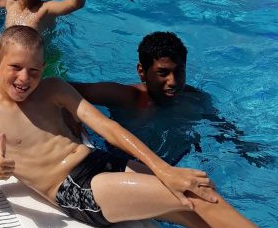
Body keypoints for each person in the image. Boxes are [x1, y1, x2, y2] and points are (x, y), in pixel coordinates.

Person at [0, 26, 278, 228]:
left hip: (99, 161)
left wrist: (163, 170)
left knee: (194, 214)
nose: (24, 78)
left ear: (43, 69)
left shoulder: (53, 89)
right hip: (74, 187)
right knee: (195, 197)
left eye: (34, 71)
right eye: (15, 67)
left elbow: (108, 128)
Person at [71, 31, 267, 166]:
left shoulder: (195, 99)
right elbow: (63, 89)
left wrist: (247, 149)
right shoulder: (126, 97)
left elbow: (222, 128)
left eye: (179, 71)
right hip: (123, 162)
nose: (173, 81)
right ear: (142, 71)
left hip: (174, 163)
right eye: (162, 73)